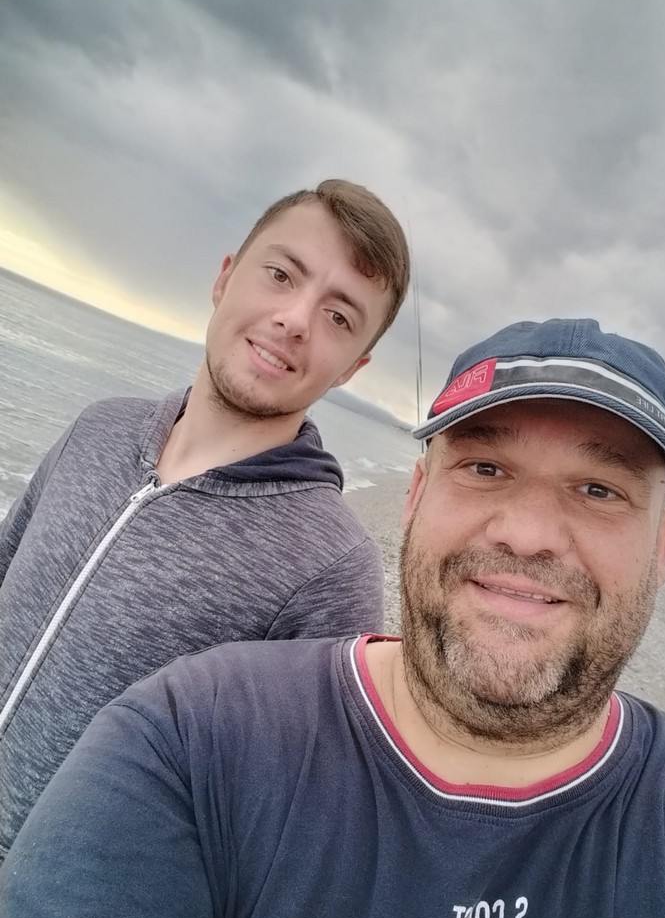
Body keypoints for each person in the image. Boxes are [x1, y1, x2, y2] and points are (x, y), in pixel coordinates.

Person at [2, 318, 665, 918]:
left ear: (662, 547)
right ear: (417, 495)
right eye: (485, 468)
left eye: (599, 490)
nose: (528, 534)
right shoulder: (191, 737)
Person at [0, 178, 410, 860]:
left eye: (339, 316)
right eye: (281, 275)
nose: (296, 319)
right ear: (224, 278)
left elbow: (282, 829)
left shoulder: (331, 568)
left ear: (353, 368)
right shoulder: (97, 429)